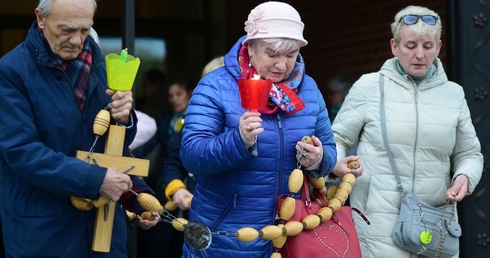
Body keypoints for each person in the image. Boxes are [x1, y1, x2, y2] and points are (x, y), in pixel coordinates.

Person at [0, 0, 158, 257]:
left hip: (105, 231)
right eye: (67, 30)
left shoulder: (102, 65)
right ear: (41, 19)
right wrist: (96, 180)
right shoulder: (12, 71)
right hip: (44, 233)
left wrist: (125, 117)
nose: (77, 40)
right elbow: (22, 152)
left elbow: (117, 145)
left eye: (85, 30)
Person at [180, 1, 337, 257]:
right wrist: (238, 141)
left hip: (290, 236)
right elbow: (191, 155)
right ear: (250, 47)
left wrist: (318, 158)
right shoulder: (216, 86)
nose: (282, 65)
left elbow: (329, 151)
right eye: (272, 54)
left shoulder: (309, 89)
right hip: (226, 236)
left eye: (291, 54)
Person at [331, 5, 483, 257]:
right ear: (394, 46)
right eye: (410, 46)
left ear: (439, 47)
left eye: (428, 46)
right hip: (377, 228)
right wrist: (336, 164)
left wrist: (464, 177)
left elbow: (470, 153)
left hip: (435, 228)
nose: (420, 55)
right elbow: (336, 139)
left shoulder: (454, 94)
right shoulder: (369, 86)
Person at [137, 73, 194, 258]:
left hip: (192, 183)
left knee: (186, 236)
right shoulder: (164, 121)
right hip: (166, 180)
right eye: (171, 95)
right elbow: (150, 144)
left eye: (179, 94)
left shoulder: (198, 119)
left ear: (189, 94)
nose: (175, 99)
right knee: (161, 235)